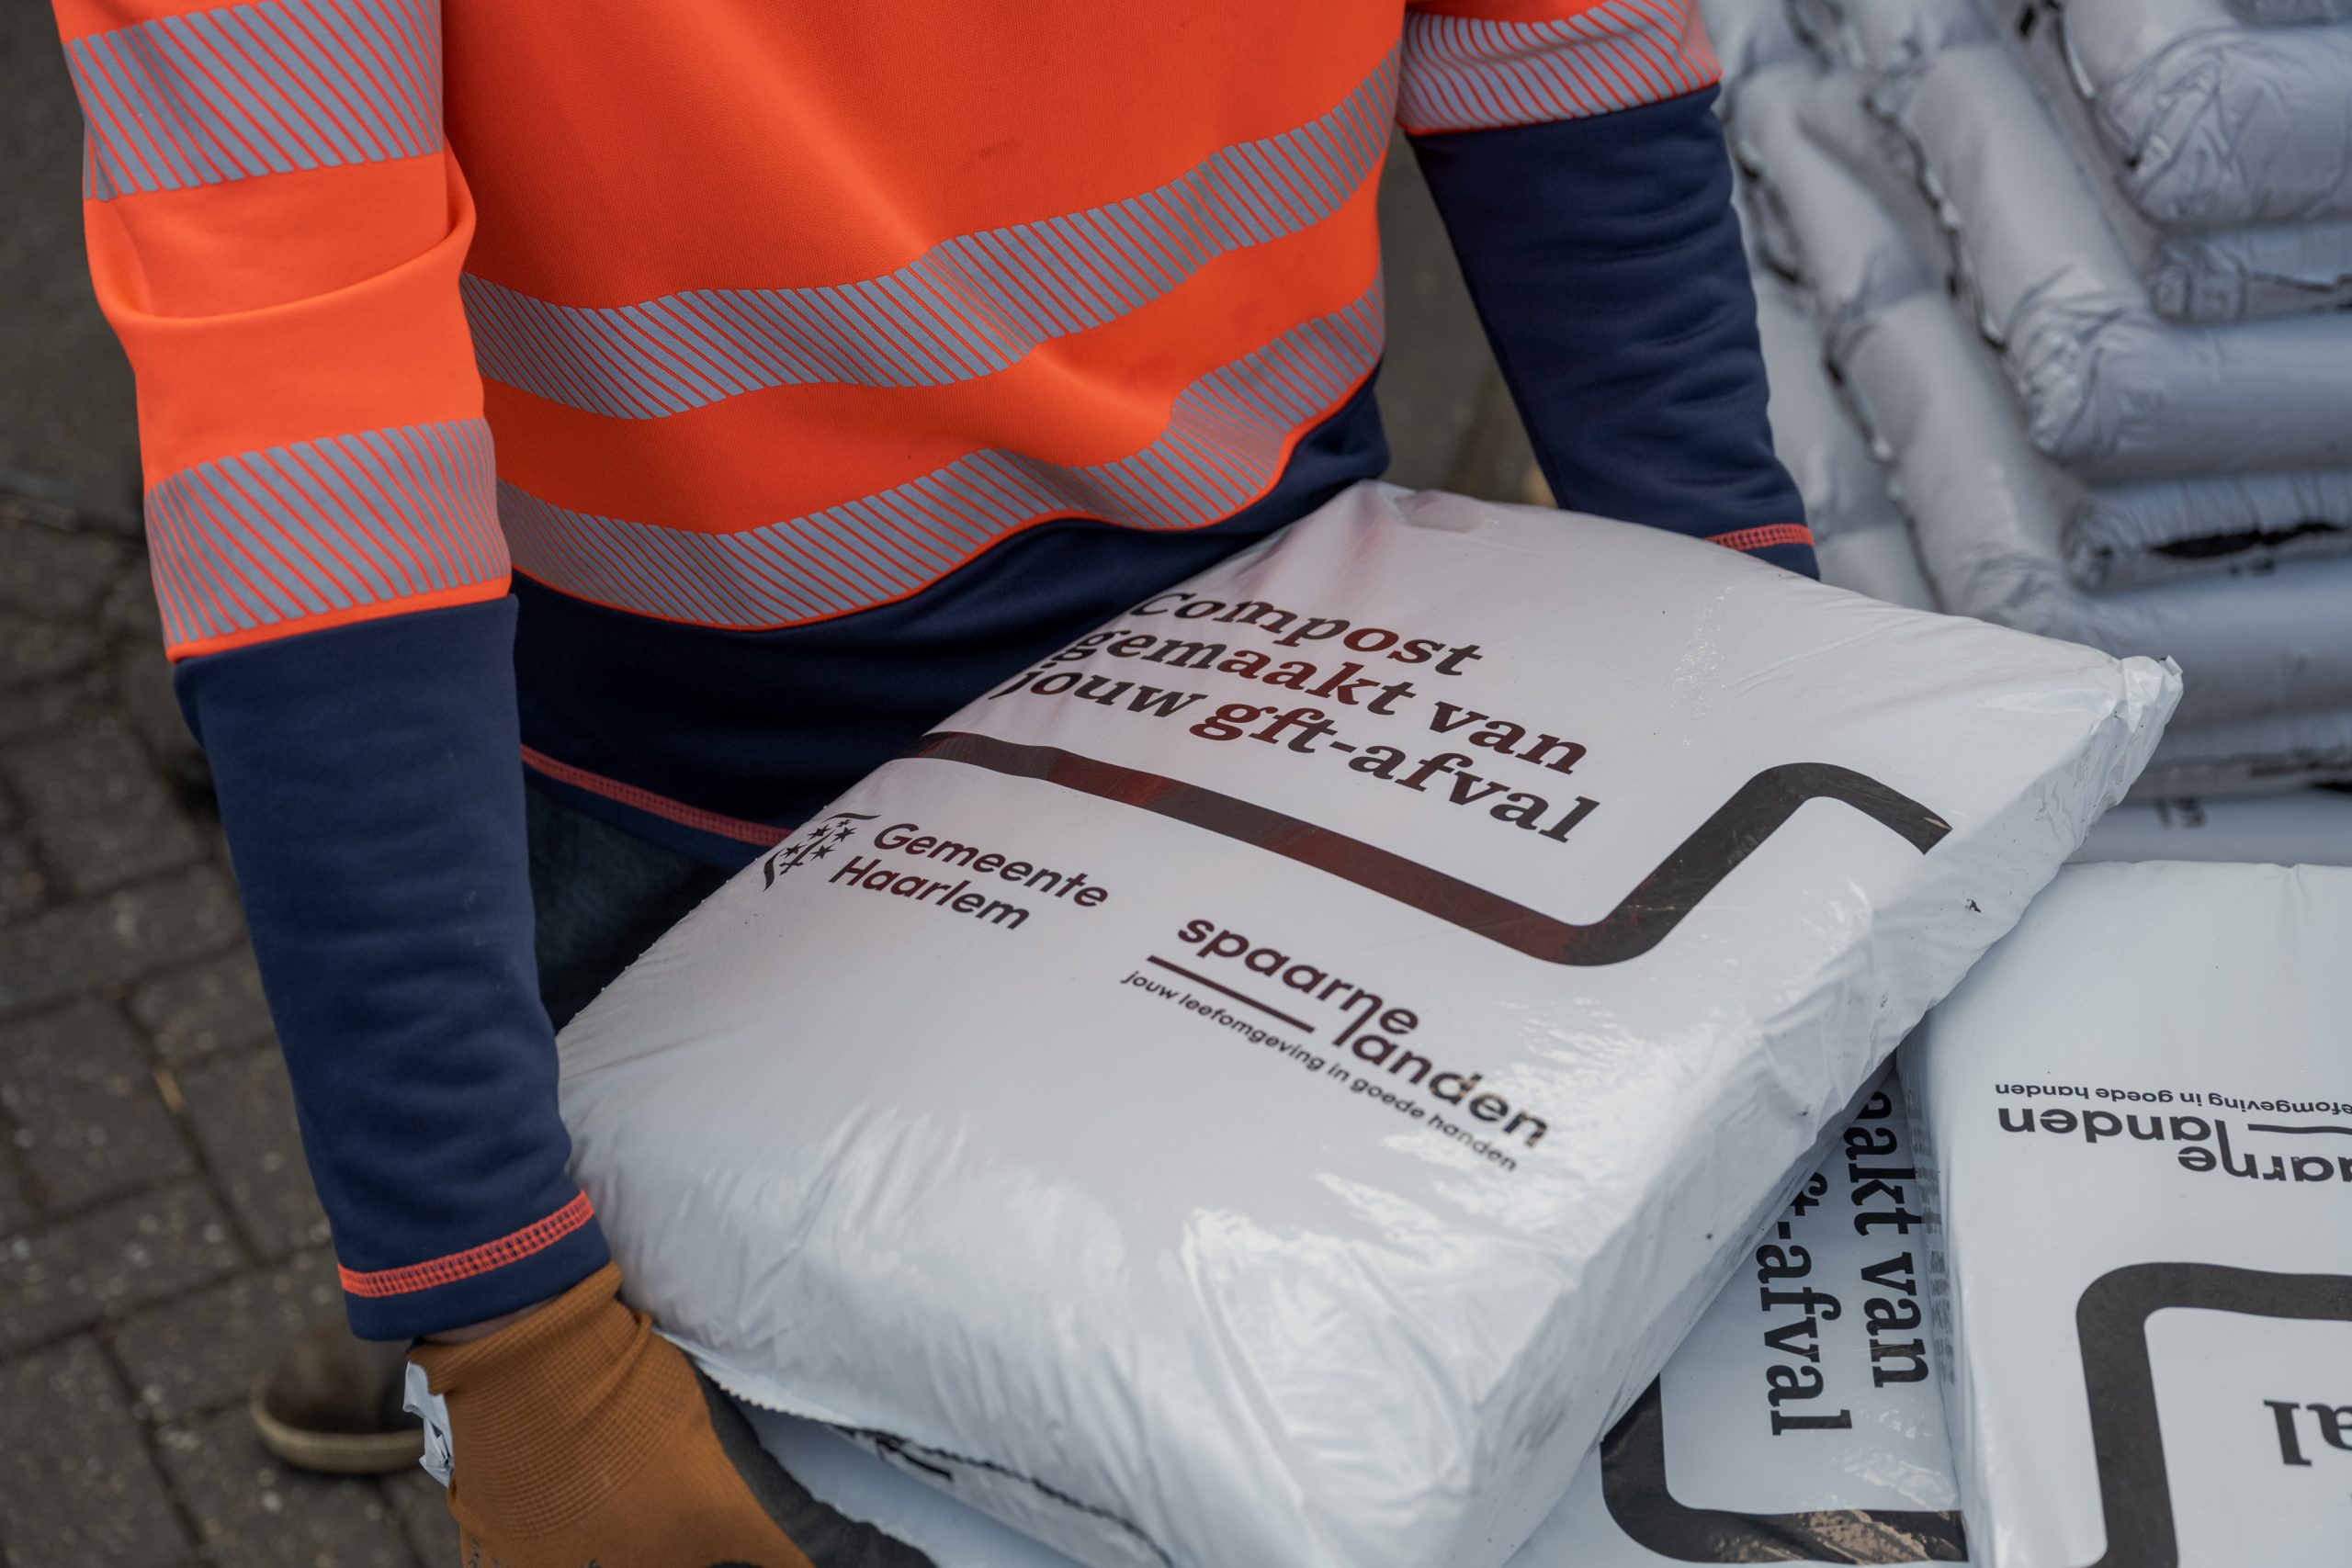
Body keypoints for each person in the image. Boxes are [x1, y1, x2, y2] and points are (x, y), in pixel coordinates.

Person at [54, 0, 1807, 1561]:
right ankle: (473, 1268)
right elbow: (312, 431)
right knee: (651, 1322)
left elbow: (1548, 39)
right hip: (690, 793)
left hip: (1265, 692)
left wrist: (1769, 686)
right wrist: (500, 1309)